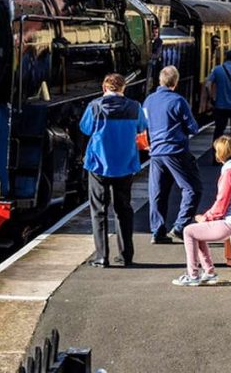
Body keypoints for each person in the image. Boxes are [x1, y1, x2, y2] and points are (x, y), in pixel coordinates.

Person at [79, 73, 147, 267]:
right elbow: (142, 127)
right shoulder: (135, 107)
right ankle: (126, 255)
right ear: (123, 88)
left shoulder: (95, 106)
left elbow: (85, 128)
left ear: (104, 88)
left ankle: (101, 257)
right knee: (124, 209)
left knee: (98, 210)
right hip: (125, 164)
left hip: (99, 164)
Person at [173, 136, 231, 286]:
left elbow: (221, 204)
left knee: (188, 231)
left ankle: (193, 275)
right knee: (199, 231)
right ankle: (209, 271)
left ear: (219, 155)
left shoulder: (230, 172)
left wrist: (205, 217)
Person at [143, 66, 202, 244]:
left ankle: (157, 231)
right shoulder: (178, 101)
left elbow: (143, 126)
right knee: (193, 188)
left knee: (158, 192)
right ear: (175, 82)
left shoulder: (149, 101)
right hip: (175, 151)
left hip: (155, 153)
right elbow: (193, 127)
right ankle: (180, 226)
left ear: (160, 81)